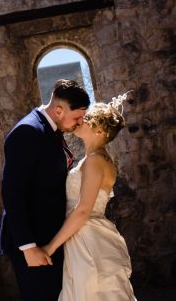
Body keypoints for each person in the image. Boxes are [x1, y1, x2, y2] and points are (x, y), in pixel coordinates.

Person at [0, 79, 91, 301]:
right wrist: (28, 247)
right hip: (33, 242)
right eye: (77, 117)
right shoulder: (27, 132)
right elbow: (12, 193)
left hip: (51, 237)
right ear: (59, 110)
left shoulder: (51, 128)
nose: (79, 123)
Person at [44, 92, 136, 300]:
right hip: (81, 237)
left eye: (86, 120)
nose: (80, 121)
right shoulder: (93, 159)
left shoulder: (95, 160)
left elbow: (84, 209)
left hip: (88, 239)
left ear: (100, 131)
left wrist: (50, 247)